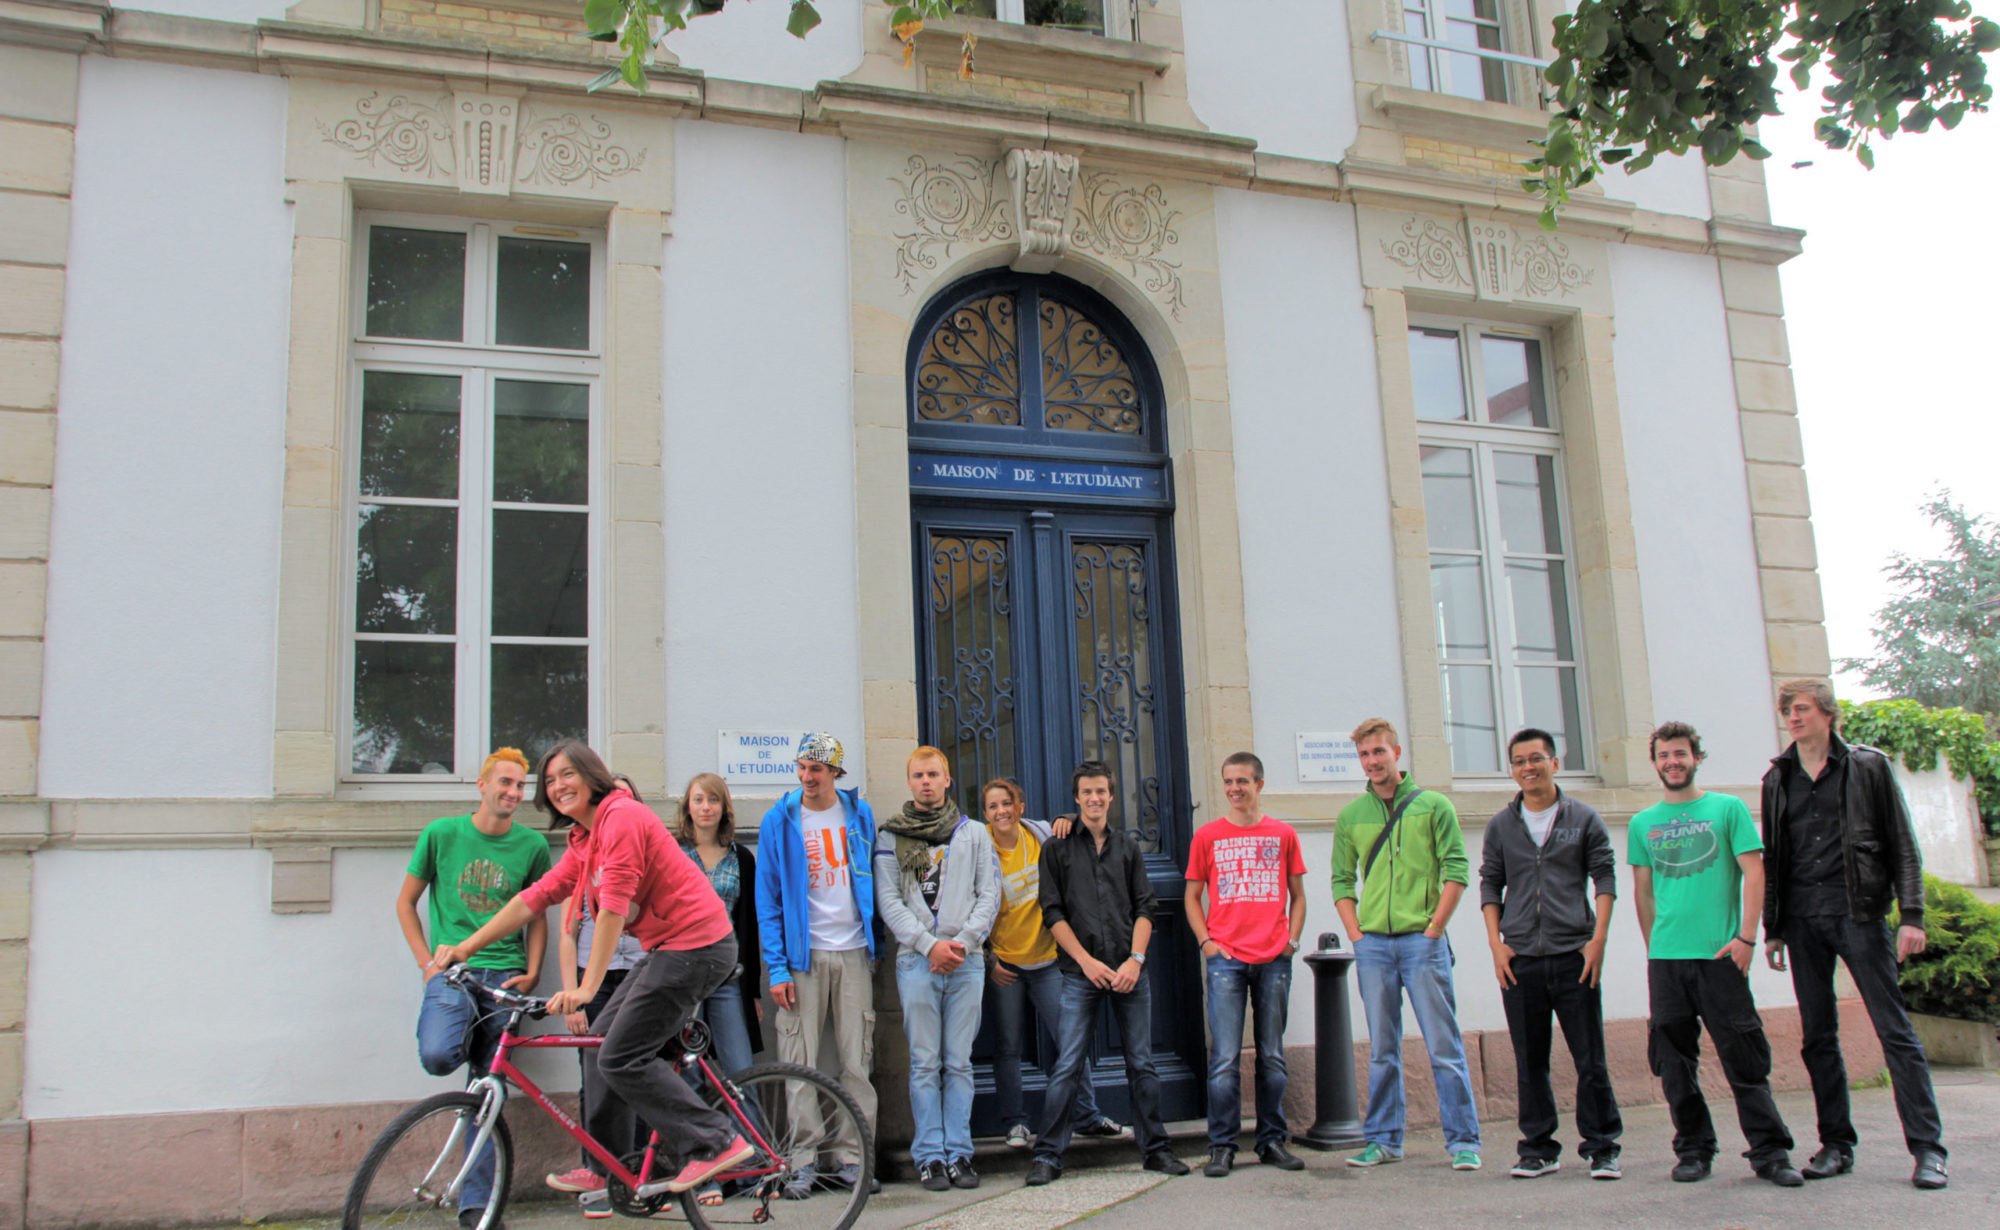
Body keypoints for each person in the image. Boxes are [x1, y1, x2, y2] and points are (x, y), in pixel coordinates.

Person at [432, 742, 753, 1200]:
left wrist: (585, 988)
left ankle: (715, 1141)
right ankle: (608, 1165)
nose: (558, 785)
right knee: (599, 1043)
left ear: (591, 775)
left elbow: (612, 911)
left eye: (567, 774)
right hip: (668, 948)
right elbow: (537, 896)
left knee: (622, 1054)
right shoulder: (586, 839)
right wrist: (465, 947)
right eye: (549, 780)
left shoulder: (620, 818)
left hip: (699, 945)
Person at [1760, 679, 1947, 1190]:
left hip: (1859, 914)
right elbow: (1775, 856)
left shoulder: (1868, 766)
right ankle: (1836, 1145)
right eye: (1786, 711)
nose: (1792, 718)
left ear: (1826, 713)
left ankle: (1928, 1150)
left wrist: (1912, 914)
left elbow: (1902, 842)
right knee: (1818, 1037)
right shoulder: (1777, 778)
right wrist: (1773, 927)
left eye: (1800, 709)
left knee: (1895, 1033)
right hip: (1803, 920)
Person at [1632, 721, 1801, 1187]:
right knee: (1673, 1064)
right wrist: (1656, 950)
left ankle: (1770, 1153)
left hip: (1721, 957)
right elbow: (1643, 894)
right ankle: (1693, 1149)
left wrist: (1747, 937)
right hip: (1667, 961)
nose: (1672, 762)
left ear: (1696, 757)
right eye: (1664, 755)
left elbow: (1754, 872)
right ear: (1655, 763)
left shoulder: (1727, 809)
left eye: (1680, 754)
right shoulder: (1643, 823)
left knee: (1744, 1059)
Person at [395, 747, 552, 1230]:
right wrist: (427, 964)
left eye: (520, 785)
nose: (512, 792)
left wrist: (532, 970)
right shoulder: (442, 834)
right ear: (481, 786)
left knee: (486, 1094)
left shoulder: (532, 846)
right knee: (440, 1055)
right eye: (504, 782)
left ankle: (477, 1210)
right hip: (455, 974)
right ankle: (463, 1052)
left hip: (504, 978)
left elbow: (539, 916)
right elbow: (406, 904)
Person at [1025, 761, 1189, 1186]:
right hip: (1082, 973)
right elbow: (1052, 913)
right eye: (1087, 793)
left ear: (1111, 797)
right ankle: (1048, 1156)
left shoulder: (1128, 847)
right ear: (1076, 798)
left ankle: (1156, 1150)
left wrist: (1134, 961)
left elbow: (1145, 907)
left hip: (1129, 972)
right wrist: (1085, 961)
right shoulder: (1057, 848)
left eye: (1102, 792)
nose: (1095, 799)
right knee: (1068, 1065)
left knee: (1142, 1063)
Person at [1330, 718, 1481, 1171]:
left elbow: (1456, 869)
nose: (1373, 761)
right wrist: (1356, 933)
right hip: (1374, 945)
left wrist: (1435, 927)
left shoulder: (1433, 806)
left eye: (1379, 752)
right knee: (1382, 1049)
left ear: (1397, 752)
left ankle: (1464, 1142)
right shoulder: (1351, 816)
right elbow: (1341, 880)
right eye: (1364, 755)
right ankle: (1383, 1141)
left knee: (1444, 1046)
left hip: (1422, 942)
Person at [1478, 728, 1623, 1181]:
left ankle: (1602, 1147)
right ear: (1512, 770)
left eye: (1536, 758)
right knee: (1530, 1060)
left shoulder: (1583, 818)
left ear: (1554, 763)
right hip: (1520, 958)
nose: (1528, 767)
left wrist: (1597, 939)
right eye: (1519, 761)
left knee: (1590, 1059)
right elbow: (1490, 882)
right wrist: (1496, 945)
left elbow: (1605, 877)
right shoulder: (1502, 825)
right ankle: (1538, 1148)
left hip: (1573, 955)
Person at [755, 732, 879, 1198]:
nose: (807, 777)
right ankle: (802, 1160)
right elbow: (767, 899)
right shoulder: (779, 819)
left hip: (853, 952)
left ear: (835, 772)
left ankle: (853, 1158)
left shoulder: (858, 814)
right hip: (802, 957)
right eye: (802, 767)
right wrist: (778, 967)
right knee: (799, 1061)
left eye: (817, 769)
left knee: (856, 1060)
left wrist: (874, 946)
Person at [875, 748, 1001, 1191]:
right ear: (908, 782)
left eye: (933, 774)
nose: (926, 781)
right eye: (918, 775)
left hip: (966, 962)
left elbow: (989, 894)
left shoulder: (975, 835)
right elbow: (888, 901)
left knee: (959, 1063)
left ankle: (960, 1154)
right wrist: (930, 946)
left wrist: (962, 944)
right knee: (925, 1063)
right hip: (916, 961)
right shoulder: (891, 836)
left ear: (948, 779)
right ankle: (929, 1156)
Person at [980, 779, 1127, 1150]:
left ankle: (1087, 1116)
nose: (1001, 811)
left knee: (1070, 1039)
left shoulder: (1042, 834)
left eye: (1007, 803)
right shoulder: (978, 846)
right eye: (993, 806)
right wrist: (987, 959)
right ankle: (1014, 1122)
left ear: (1021, 807)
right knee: (1009, 1047)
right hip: (1006, 965)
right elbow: (963, 900)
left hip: (1049, 961)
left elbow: (1084, 825)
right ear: (985, 814)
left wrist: (1067, 817)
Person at [1184, 751, 1307, 1177]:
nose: (1234, 789)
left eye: (1242, 781)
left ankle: (1272, 1141)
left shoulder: (1283, 834)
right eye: (1228, 782)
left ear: (1259, 784)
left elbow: (1299, 895)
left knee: (1272, 1056)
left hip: (1273, 957)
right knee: (1223, 1059)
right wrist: (1207, 943)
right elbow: (1191, 896)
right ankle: (1222, 1145)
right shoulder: (1208, 836)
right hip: (1226, 960)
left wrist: (1290, 943)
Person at [548, 773, 650, 1218]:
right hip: (598, 974)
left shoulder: (639, 847)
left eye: (625, 794)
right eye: (612, 792)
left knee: (638, 1074)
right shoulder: (585, 855)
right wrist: (576, 992)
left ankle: (638, 1179)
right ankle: (598, 1177)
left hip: (639, 972)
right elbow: (568, 931)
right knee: (596, 1079)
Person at [676, 772, 766, 1207]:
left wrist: (752, 993)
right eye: (699, 799)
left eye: (714, 800)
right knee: (689, 1074)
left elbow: (748, 926)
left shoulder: (740, 858)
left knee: (739, 1072)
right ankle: (705, 1173)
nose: (706, 807)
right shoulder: (674, 856)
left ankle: (752, 1168)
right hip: (684, 980)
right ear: (687, 807)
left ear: (724, 808)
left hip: (729, 979)